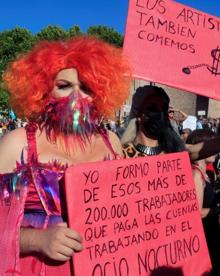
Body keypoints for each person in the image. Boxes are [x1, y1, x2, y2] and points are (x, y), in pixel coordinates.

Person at [0, 36, 131, 275]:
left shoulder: (111, 143)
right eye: (64, 86)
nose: (76, 96)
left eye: (87, 88)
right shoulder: (18, 143)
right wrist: (37, 240)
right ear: (42, 91)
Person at [121, 85, 220, 161]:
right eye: (152, 108)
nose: (160, 113)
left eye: (164, 109)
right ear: (138, 113)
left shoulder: (174, 152)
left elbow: (195, 150)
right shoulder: (120, 155)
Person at [186, 129, 220, 276]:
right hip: (204, 238)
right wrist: (217, 210)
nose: (215, 150)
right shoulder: (195, 174)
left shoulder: (206, 173)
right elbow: (196, 213)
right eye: (210, 145)